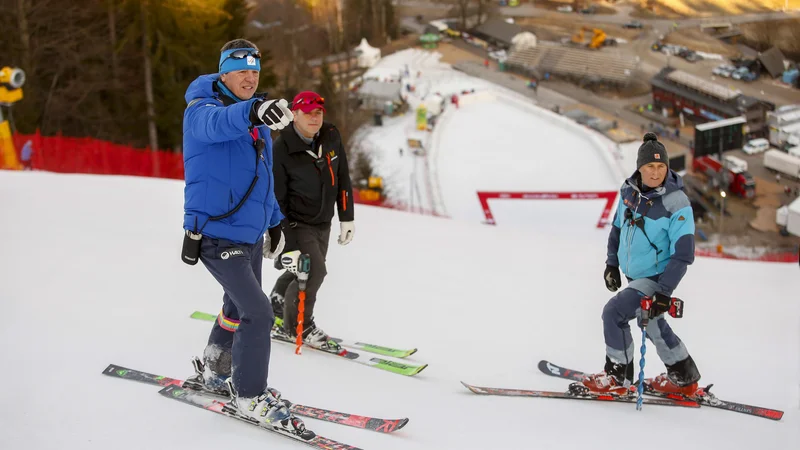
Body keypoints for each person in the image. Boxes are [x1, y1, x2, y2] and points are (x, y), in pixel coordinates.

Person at [181, 38, 300, 428]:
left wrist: (275, 222)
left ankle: (216, 370)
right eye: (241, 70)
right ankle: (249, 395)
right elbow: (217, 125)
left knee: (236, 307)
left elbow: (262, 178)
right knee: (257, 312)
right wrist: (253, 111)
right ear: (224, 72)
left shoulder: (255, 122)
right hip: (215, 233)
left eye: (255, 71)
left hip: (247, 233)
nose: (250, 77)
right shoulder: (202, 108)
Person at [580, 132, 701, 398]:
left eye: (661, 166)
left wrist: (664, 292)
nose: (656, 172)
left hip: (657, 277)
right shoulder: (629, 191)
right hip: (635, 274)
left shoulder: (677, 203)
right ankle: (685, 378)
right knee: (655, 326)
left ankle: (618, 376)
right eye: (650, 166)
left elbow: (683, 254)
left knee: (614, 313)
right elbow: (617, 228)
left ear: (667, 168)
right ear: (640, 168)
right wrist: (612, 264)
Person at [269, 90, 355, 351]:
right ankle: (300, 325)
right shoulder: (282, 148)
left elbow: (343, 178)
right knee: (314, 271)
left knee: (302, 268)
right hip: (296, 222)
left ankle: (278, 302)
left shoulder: (330, 136)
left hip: (323, 221)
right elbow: (277, 198)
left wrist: (346, 217)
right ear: (294, 114)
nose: (314, 118)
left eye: (318, 113)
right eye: (308, 113)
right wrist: (284, 238)